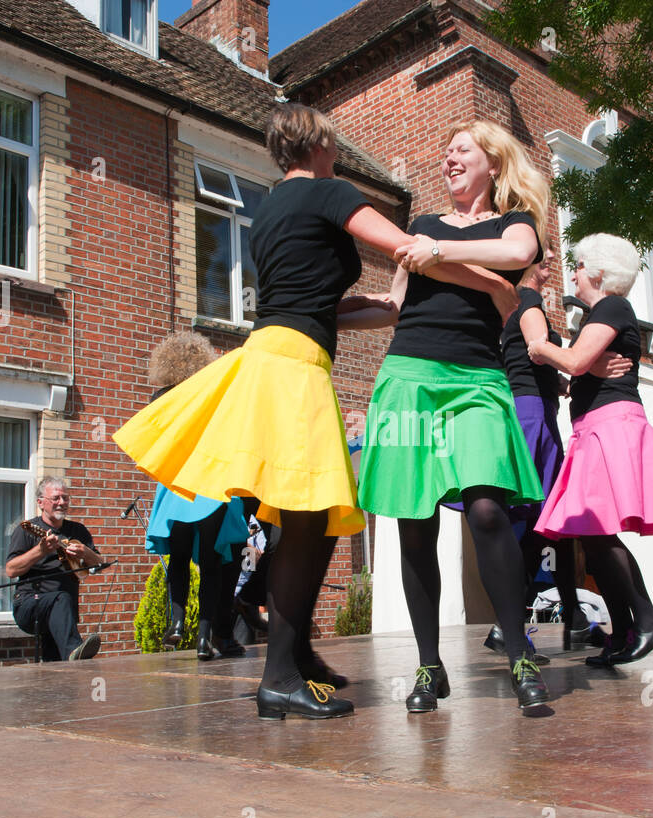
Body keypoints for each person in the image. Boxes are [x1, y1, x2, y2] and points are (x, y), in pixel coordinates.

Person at [115, 104, 515, 720]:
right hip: (294, 370)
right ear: (322, 143)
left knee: (315, 516)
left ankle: (296, 654)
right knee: (305, 519)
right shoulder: (332, 192)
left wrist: (383, 308)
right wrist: (489, 282)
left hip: (271, 352)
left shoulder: (268, 207)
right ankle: (277, 677)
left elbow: (311, 304)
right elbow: (410, 247)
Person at [357, 119, 560, 713]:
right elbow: (394, 304)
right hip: (409, 378)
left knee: (488, 510)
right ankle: (428, 666)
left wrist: (438, 254)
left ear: (492, 162)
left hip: (477, 379)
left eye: (461, 151)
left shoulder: (512, 225)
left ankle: (519, 651)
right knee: (414, 521)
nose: (449, 159)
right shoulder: (419, 226)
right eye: (444, 152)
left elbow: (518, 256)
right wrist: (319, 314)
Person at [526, 233, 653, 667]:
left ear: (598, 273)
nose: (573, 273)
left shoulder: (610, 306)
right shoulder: (602, 314)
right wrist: (581, 371)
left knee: (595, 533)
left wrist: (541, 347)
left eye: (578, 265)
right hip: (599, 426)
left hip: (609, 428)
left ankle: (645, 623)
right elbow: (577, 370)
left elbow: (572, 362)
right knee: (594, 535)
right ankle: (629, 629)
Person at [484, 245, 632, 656]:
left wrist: (572, 378)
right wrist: (585, 364)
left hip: (536, 407)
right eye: (543, 256)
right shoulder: (527, 301)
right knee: (544, 522)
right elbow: (536, 347)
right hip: (530, 412)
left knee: (558, 523)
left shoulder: (521, 303)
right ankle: (512, 623)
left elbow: (537, 366)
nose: (551, 262)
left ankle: (572, 619)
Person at [141, 330, 248, 660]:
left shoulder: (161, 397)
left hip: (178, 485)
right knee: (213, 564)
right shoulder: (213, 397)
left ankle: (176, 623)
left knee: (179, 556)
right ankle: (205, 639)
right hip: (212, 485)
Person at [6, 477, 103, 661]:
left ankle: (64, 680)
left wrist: (86, 552)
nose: (62, 503)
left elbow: (99, 564)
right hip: (29, 605)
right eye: (56, 498)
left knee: (57, 666)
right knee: (60, 596)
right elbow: (11, 570)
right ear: (41, 503)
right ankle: (76, 652)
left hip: (63, 613)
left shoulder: (78, 531)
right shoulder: (26, 530)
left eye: (65, 498)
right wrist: (40, 551)